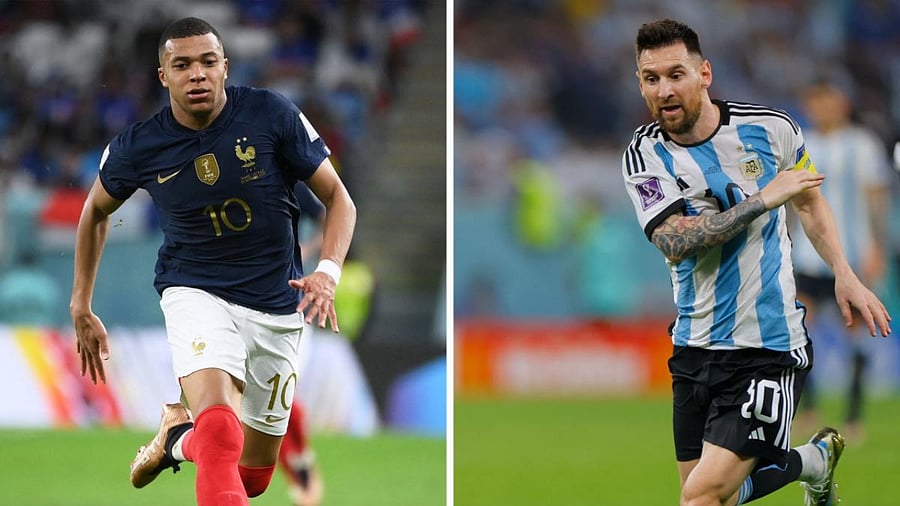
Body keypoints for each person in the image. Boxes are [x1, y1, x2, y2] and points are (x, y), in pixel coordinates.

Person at [70, 17, 356, 506]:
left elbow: (339, 200)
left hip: (276, 302)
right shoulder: (139, 145)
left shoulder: (271, 114)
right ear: (164, 76)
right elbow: (95, 210)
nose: (196, 74)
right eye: (181, 65)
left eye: (207, 62)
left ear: (225, 67)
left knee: (251, 478)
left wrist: (327, 272)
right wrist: (81, 302)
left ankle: (174, 440)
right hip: (195, 292)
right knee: (221, 430)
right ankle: (195, 429)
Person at [621, 19, 891, 506]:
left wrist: (845, 273)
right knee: (706, 497)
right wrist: (762, 200)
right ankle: (814, 460)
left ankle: (834, 432)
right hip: (694, 344)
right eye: (651, 78)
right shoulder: (644, 154)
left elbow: (808, 201)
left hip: (765, 346)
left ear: (705, 73)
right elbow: (673, 240)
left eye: (676, 74)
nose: (664, 89)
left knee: (700, 498)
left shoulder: (772, 129)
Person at [790, 80, 893, 443]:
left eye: (828, 101)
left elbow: (876, 200)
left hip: (853, 256)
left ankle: (853, 415)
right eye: (816, 102)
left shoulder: (862, 145)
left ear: (842, 103)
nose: (822, 108)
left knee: (856, 338)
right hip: (805, 256)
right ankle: (810, 409)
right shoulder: (802, 144)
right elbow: (791, 203)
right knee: (796, 331)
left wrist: (878, 247)